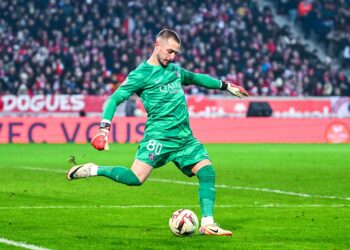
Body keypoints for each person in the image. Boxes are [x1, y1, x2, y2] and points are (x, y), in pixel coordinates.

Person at [67, 29, 248, 236]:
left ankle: (207, 223)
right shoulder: (140, 74)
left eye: (176, 54)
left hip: (184, 138)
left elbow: (196, 78)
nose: (172, 57)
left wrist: (225, 86)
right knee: (135, 178)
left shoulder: (175, 71)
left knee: (207, 172)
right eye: (170, 51)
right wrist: (103, 129)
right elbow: (114, 99)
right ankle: (93, 169)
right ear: (157, 45)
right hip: (159, 137)